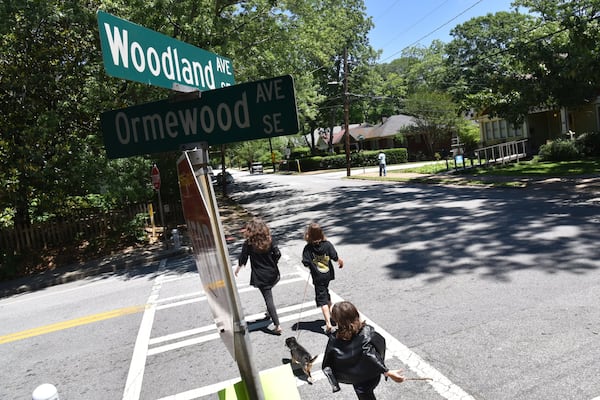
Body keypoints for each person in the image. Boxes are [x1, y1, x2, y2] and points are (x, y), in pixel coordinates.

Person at [322, 301, 405, 399]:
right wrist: (386, 371)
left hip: (356, 379)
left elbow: (327, 363)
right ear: (356, 314)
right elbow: (371, 354)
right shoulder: (367, 332)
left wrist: (335, 384)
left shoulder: (334, 339)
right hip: (372, 375)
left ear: (336, 320)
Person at [235, 217, 283, 335]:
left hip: (261, 276)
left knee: (268, 299)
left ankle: (277, 325)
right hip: (273, 273)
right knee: (269, 294)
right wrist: (273, 263)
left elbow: (243, 257)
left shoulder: (249, 244)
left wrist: (238, 268)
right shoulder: (270, 240)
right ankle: (269, 312)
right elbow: (278, 254)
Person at [302, 222, 344, 333]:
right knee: (326, 295)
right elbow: (334, 256)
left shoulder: (308, 248)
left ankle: (328, 324)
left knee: (322, 301)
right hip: (328, 275)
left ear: (308, 235)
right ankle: (335, 318)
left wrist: (310, 264)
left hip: (318, 277)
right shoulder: (327, 244)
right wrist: (339, 261)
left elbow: (305, 262)